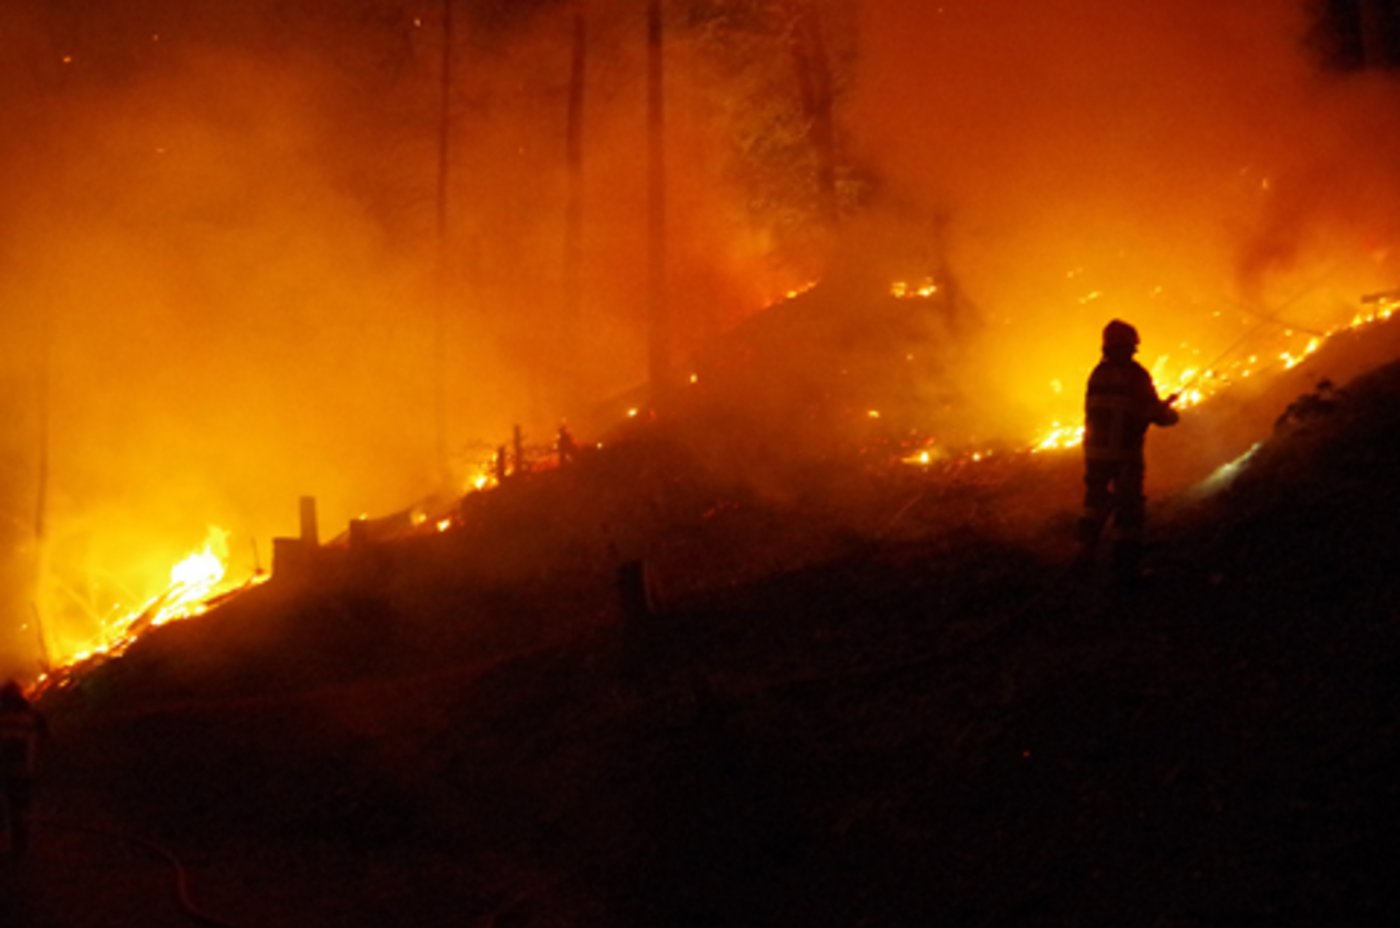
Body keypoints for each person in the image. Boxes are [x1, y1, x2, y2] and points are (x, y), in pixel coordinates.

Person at [1076, 319, 1179, 583]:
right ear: (1130, 346)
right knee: (1128, 510)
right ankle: (1125, 570)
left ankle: (1084, 556)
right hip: (1125, 455)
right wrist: (1169, 414)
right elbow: (1153, 413)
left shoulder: (1097, 373)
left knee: (1094, 503)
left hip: (1096, 454)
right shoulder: (1135, 375)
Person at [0, 679, 48, 857]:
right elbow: (44, 740)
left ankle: (10, 846)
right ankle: (19, 847)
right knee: (19, 809)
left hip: (5, 769)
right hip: (24, 770)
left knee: (8, 809)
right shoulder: (33, 715)